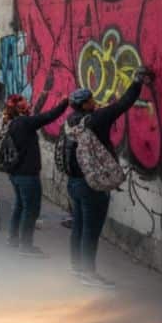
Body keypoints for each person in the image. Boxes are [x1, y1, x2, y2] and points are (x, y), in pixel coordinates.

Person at [62, 70, 153, 288]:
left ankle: (77, 268)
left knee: (79, 226)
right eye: (91, 99)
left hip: (74, 183)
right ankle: (88, 273)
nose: (94, 101)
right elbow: (123, 104)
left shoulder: (71, 122)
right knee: (91, 231)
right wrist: (137, 81)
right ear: (84, 105)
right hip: (93, 185)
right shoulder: (97, 119)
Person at [0, 94, 67, 257]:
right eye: (24, 102)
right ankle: (26, 246)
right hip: (27, 175)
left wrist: (44, 95)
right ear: (18, 107)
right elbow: (48, 116)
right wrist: (65, 102)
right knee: (31, 210)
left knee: (20, 206)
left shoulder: (12, 122)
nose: (28, 103)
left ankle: (13, 238)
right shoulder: (24, 122)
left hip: (15, 173)